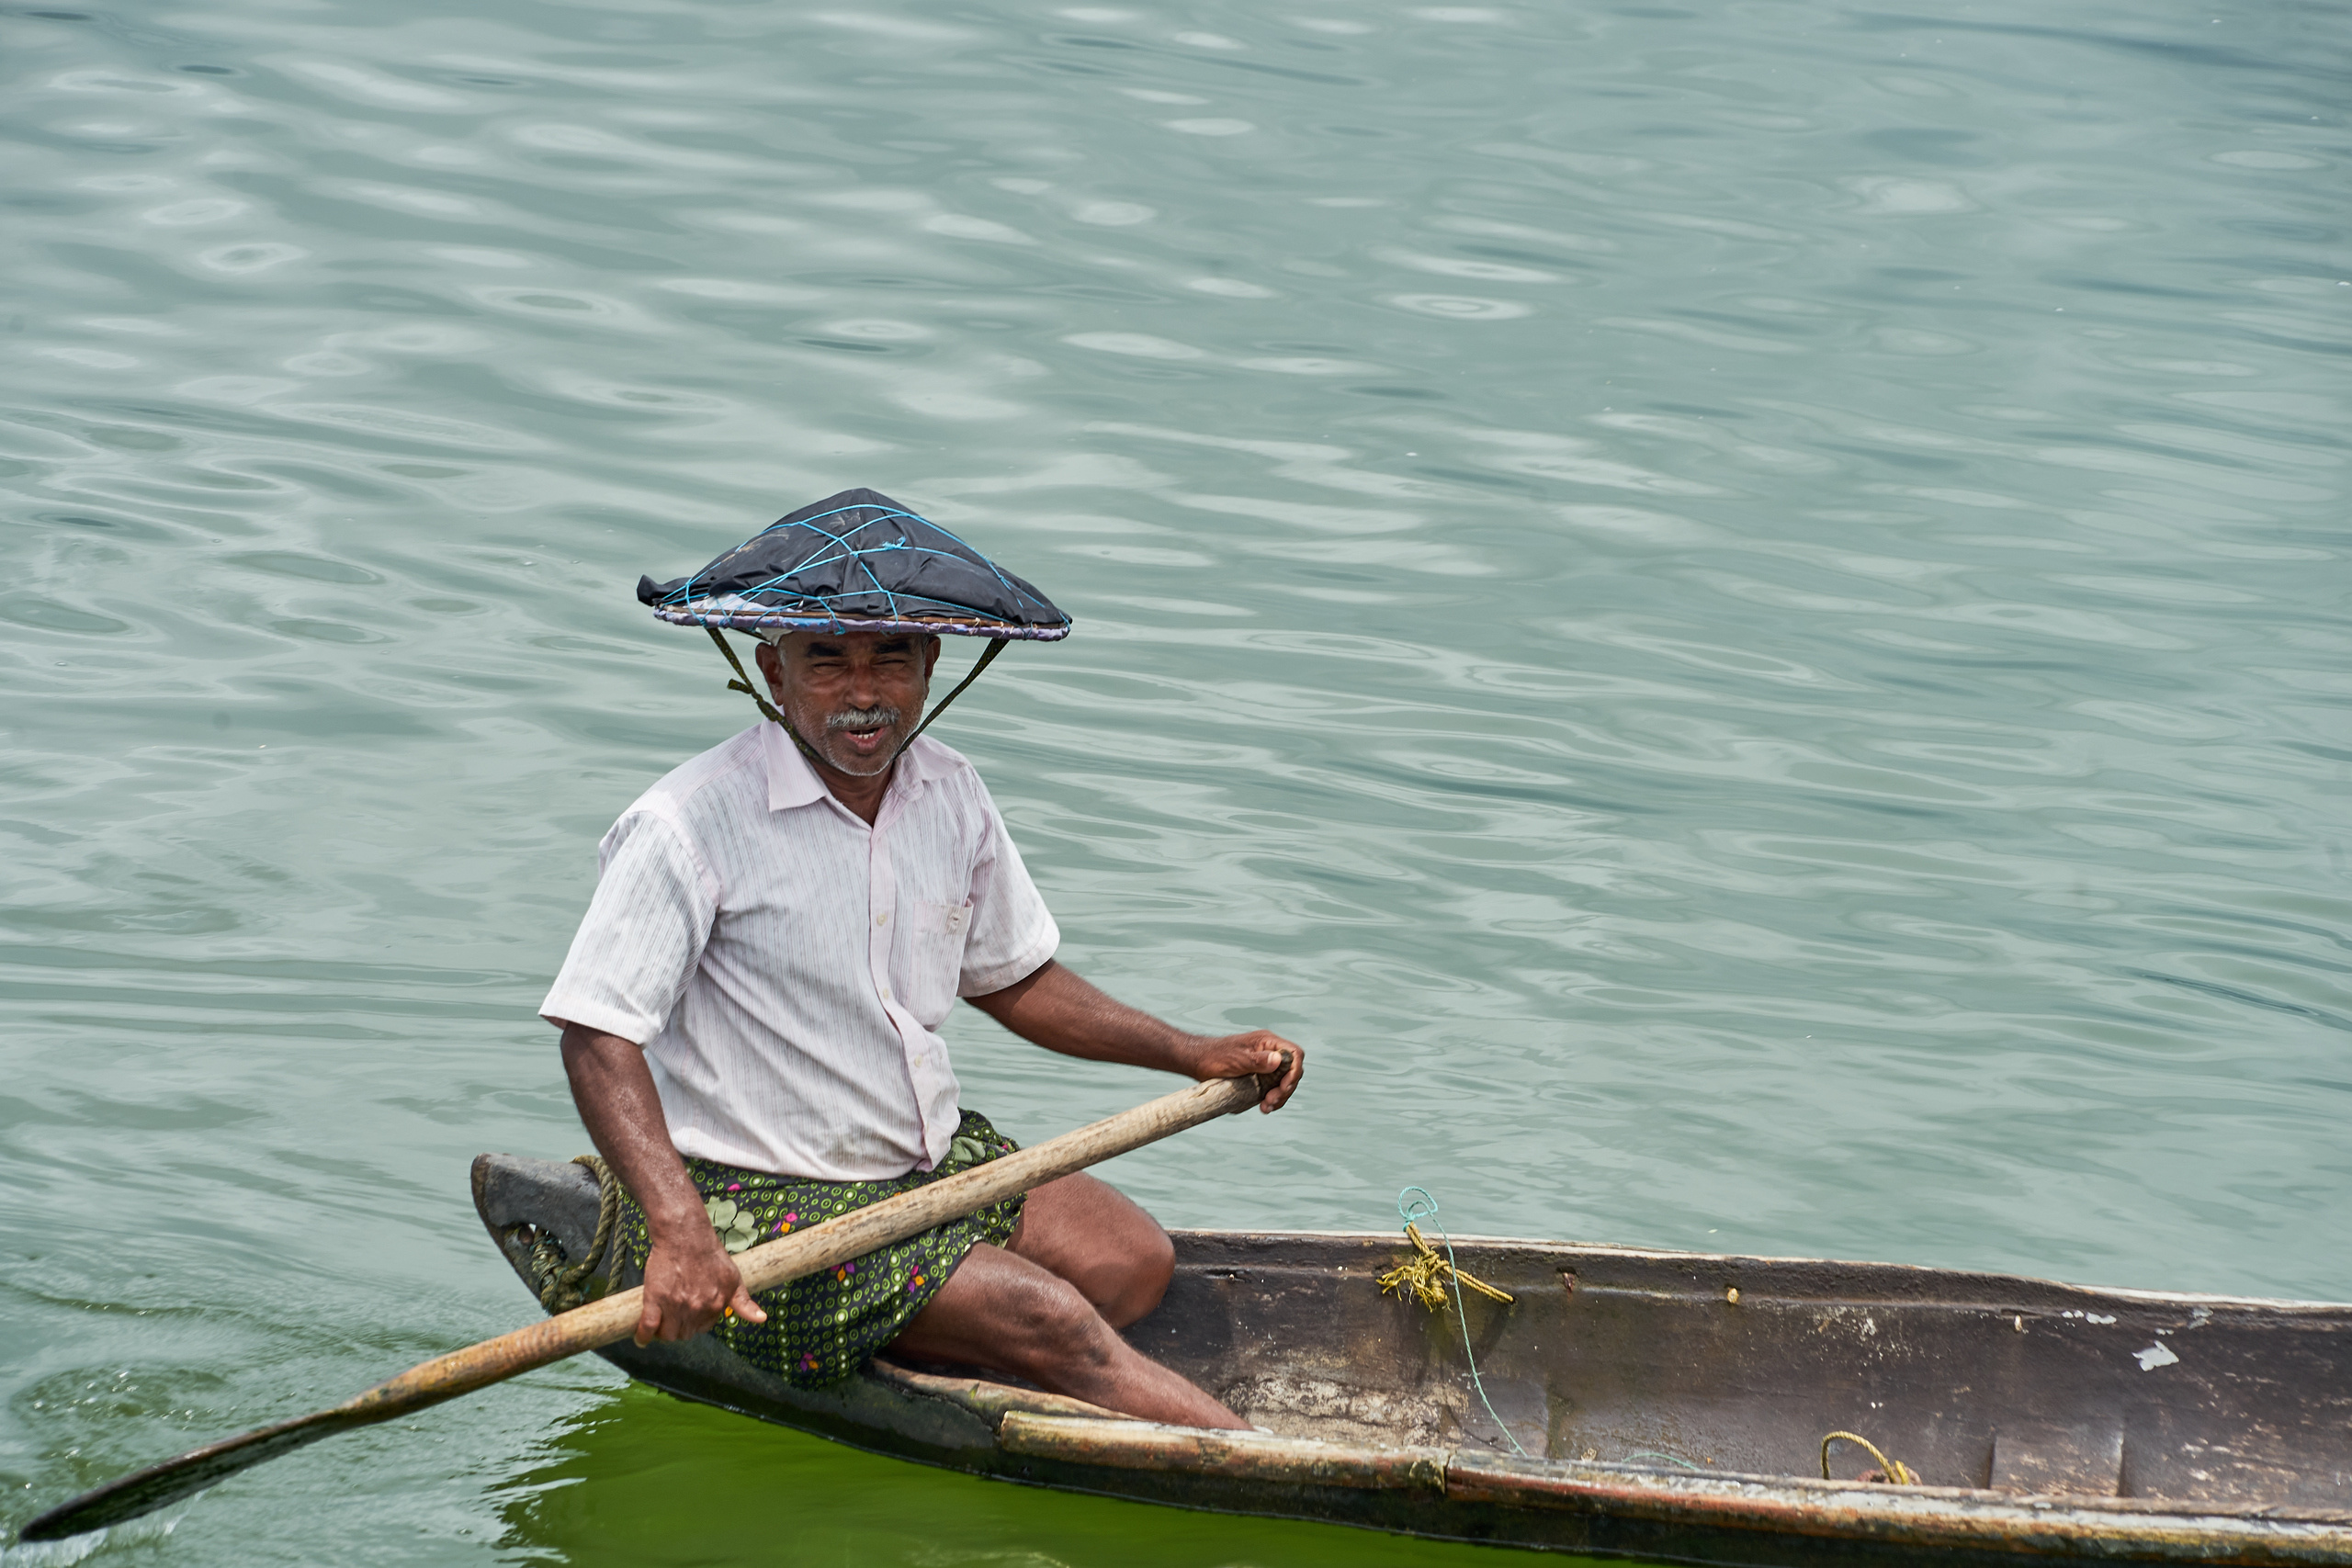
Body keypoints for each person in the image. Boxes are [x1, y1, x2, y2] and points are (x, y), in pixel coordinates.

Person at [538, 489, 1305, 1429]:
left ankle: (916, 1333)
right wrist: (680, 1233)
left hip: (929, 1166)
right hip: (769, 1203)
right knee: (1051, 1319)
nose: (863, 692)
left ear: (929, 664)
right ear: (773, 673)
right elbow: (596, 1036)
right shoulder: (684, 823)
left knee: (1133, 1263)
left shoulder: (950, 792)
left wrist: (1192, 1053)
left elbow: (1013, 979)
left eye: (888, 659)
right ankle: (1259, 1455)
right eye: (826, 661)